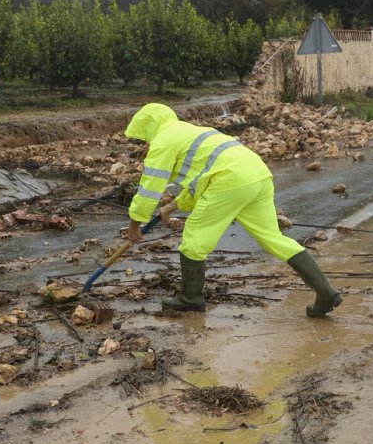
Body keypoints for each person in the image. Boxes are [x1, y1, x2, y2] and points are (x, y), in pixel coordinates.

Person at [123, 103, 341, 317]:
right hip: (257, 174)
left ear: (148, 128)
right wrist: (171, 207)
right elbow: (200, 181)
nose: (143, 143)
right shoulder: (191, 132)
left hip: (230, 179)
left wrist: (134, 225)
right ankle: (325, 292)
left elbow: (149, 188)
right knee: (273, 237)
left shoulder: (162, 142)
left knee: (194, 239)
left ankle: (190, 298)